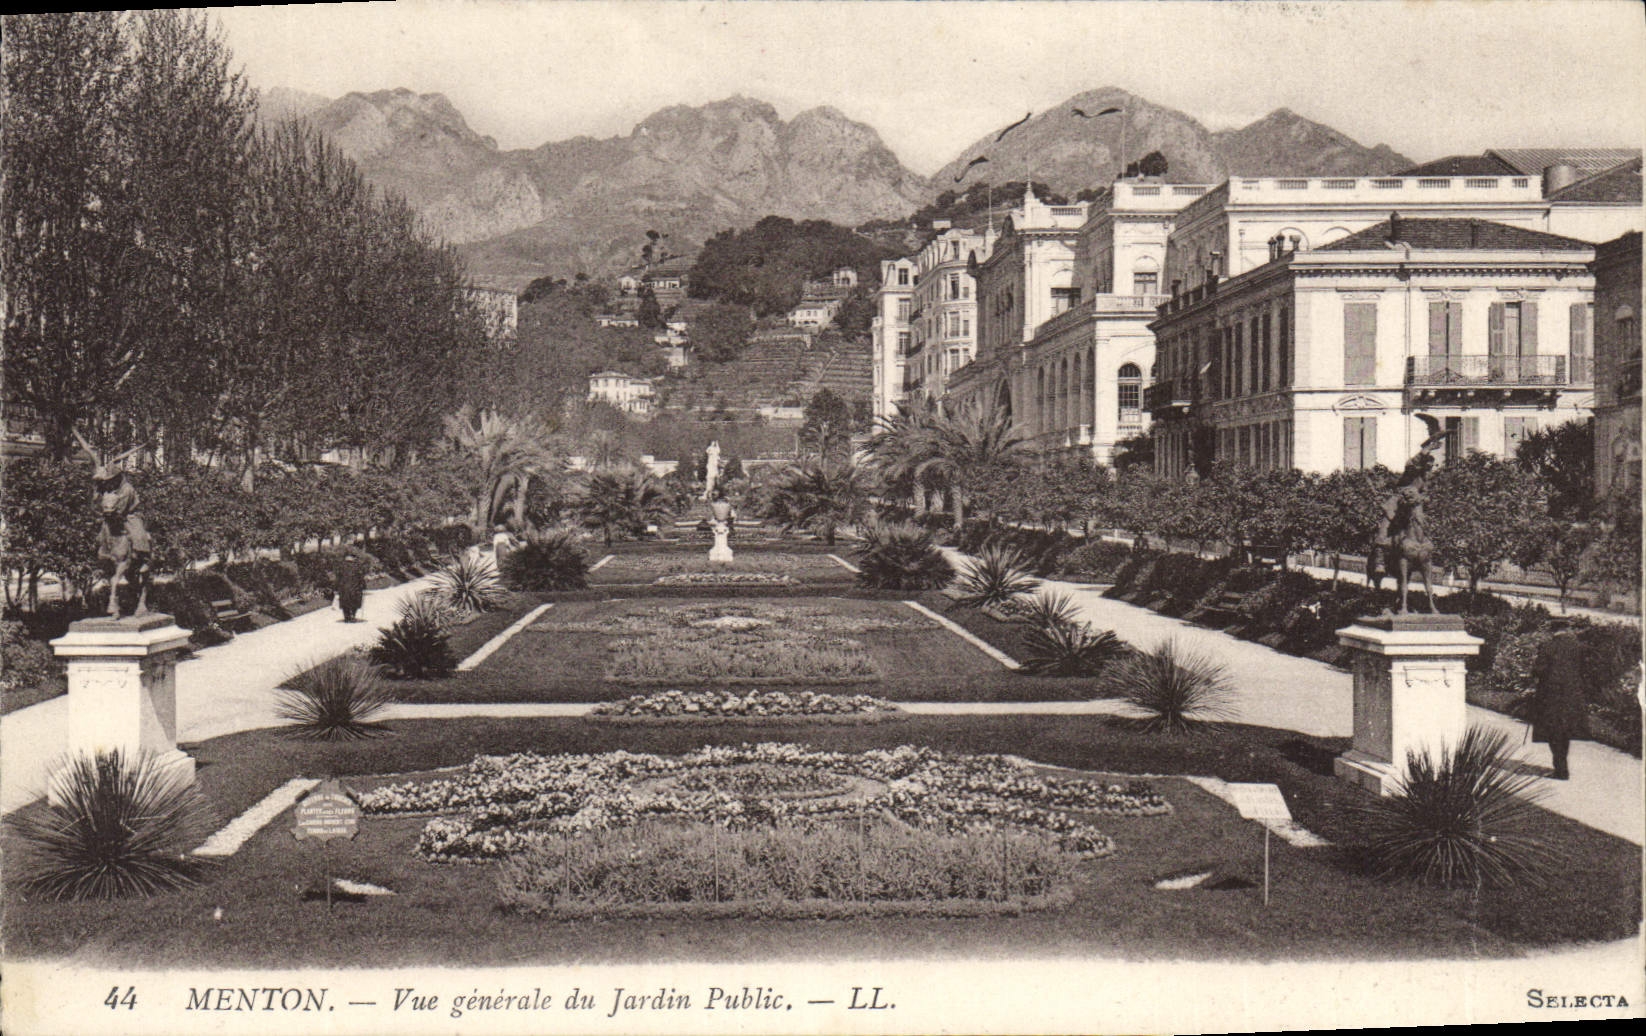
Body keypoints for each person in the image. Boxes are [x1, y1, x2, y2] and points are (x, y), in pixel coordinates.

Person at [1529, 618, 1589, 779]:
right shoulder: (1577, 647)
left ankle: (1560, 768)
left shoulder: (1548, 646)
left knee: (1553, 730)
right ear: (1567, 629)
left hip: (1551, 695)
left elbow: (1538, 670)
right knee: (1565, 730)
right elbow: (1584, 669)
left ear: (1552, 629)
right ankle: (1562, 766)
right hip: (1571, 694)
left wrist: (1533, 672)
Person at [335, 550, 365, 623]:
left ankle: (347, 617)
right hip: (355, 588)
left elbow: (338, 577)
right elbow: (361, 577)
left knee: (345, 602)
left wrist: (336, 588)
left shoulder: (341, 566)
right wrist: (363, 586)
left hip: (343, 588)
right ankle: (353, 616)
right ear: (353, 558)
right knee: (355, 602)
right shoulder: (357, 566)